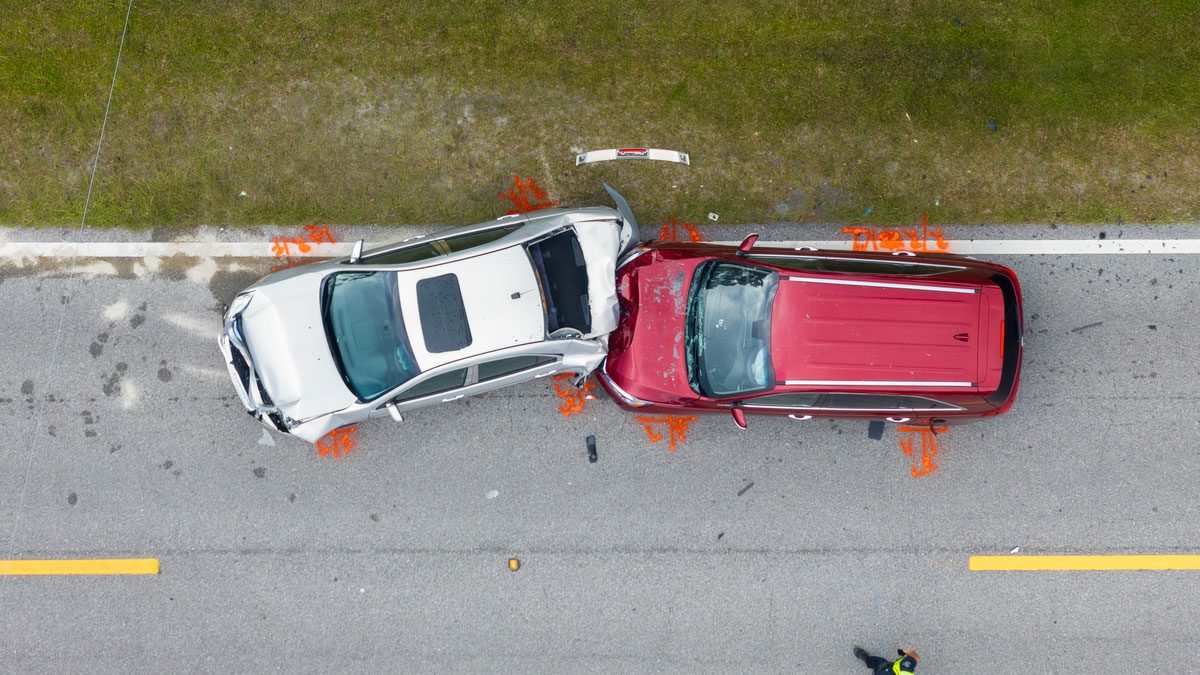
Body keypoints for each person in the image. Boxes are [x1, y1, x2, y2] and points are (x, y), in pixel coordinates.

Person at [853, 646, 920, 674]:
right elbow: (915, 658)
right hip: (889, 669)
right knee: (880, 663)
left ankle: (867, 660)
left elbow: (915, 657)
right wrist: (909, 654)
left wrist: (908, 653)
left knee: (880, 664)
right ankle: (867, 659)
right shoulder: (905, 671)